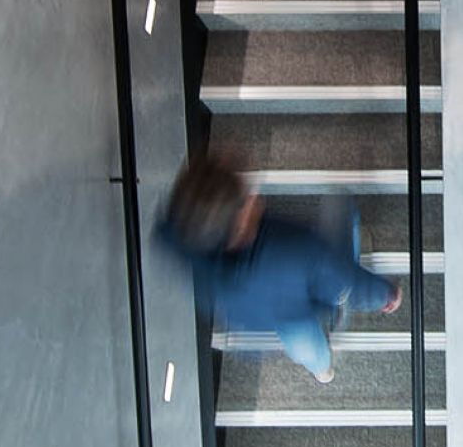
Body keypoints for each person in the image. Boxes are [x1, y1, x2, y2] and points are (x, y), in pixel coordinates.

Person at [157, 152, 402, 384]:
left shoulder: (185, 239)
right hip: (299, 292)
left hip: (260, 313)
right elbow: (346, 283)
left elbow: (168, 235)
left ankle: (323, 372)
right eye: (245, 198)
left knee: (303, 343)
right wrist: (385, 295)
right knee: (339, 203)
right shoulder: (295, 252)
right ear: (239, 225)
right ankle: (331, 332)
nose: (252, 194)